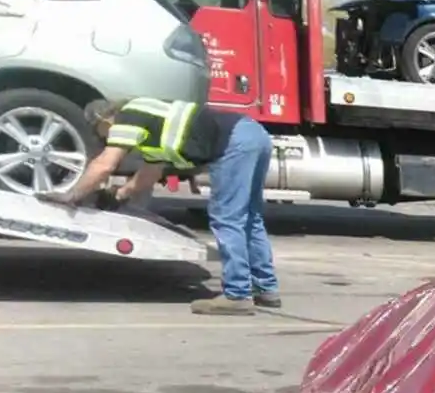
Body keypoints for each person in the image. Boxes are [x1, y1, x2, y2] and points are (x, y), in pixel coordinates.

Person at [44, 98, 280, 316]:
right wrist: (120, 194)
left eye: (102, 133)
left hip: (233, 142)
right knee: (250, 217)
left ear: (104, 120)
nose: (106, 139)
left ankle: (237, 295)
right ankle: (265, 288)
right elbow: (150, 171)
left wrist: (72, 196)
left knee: (228, 218)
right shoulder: (152, 120)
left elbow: (105, 164)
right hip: (253, 133)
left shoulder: (127, 117)